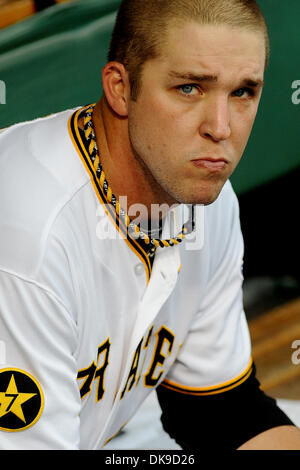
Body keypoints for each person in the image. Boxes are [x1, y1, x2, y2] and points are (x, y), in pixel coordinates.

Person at [0, 0, 299, 451]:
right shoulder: (29, 237)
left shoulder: (205, 200)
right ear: (120, 88)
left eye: (242, 92)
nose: (221, 128)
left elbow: (221, 413)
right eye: (190, 88)